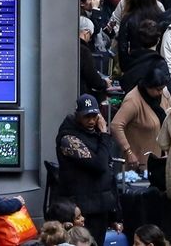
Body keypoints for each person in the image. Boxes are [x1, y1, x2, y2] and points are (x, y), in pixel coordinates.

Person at [55, 95, 115, 244]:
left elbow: (108, 170)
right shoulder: (68, 138)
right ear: (77, 116)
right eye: (86, 116)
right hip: (82, 209)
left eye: (94, 116)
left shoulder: (94, 135)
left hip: (101, 205)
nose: (91, 121)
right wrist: (105, 135)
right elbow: (99, 165)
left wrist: (116, 214)